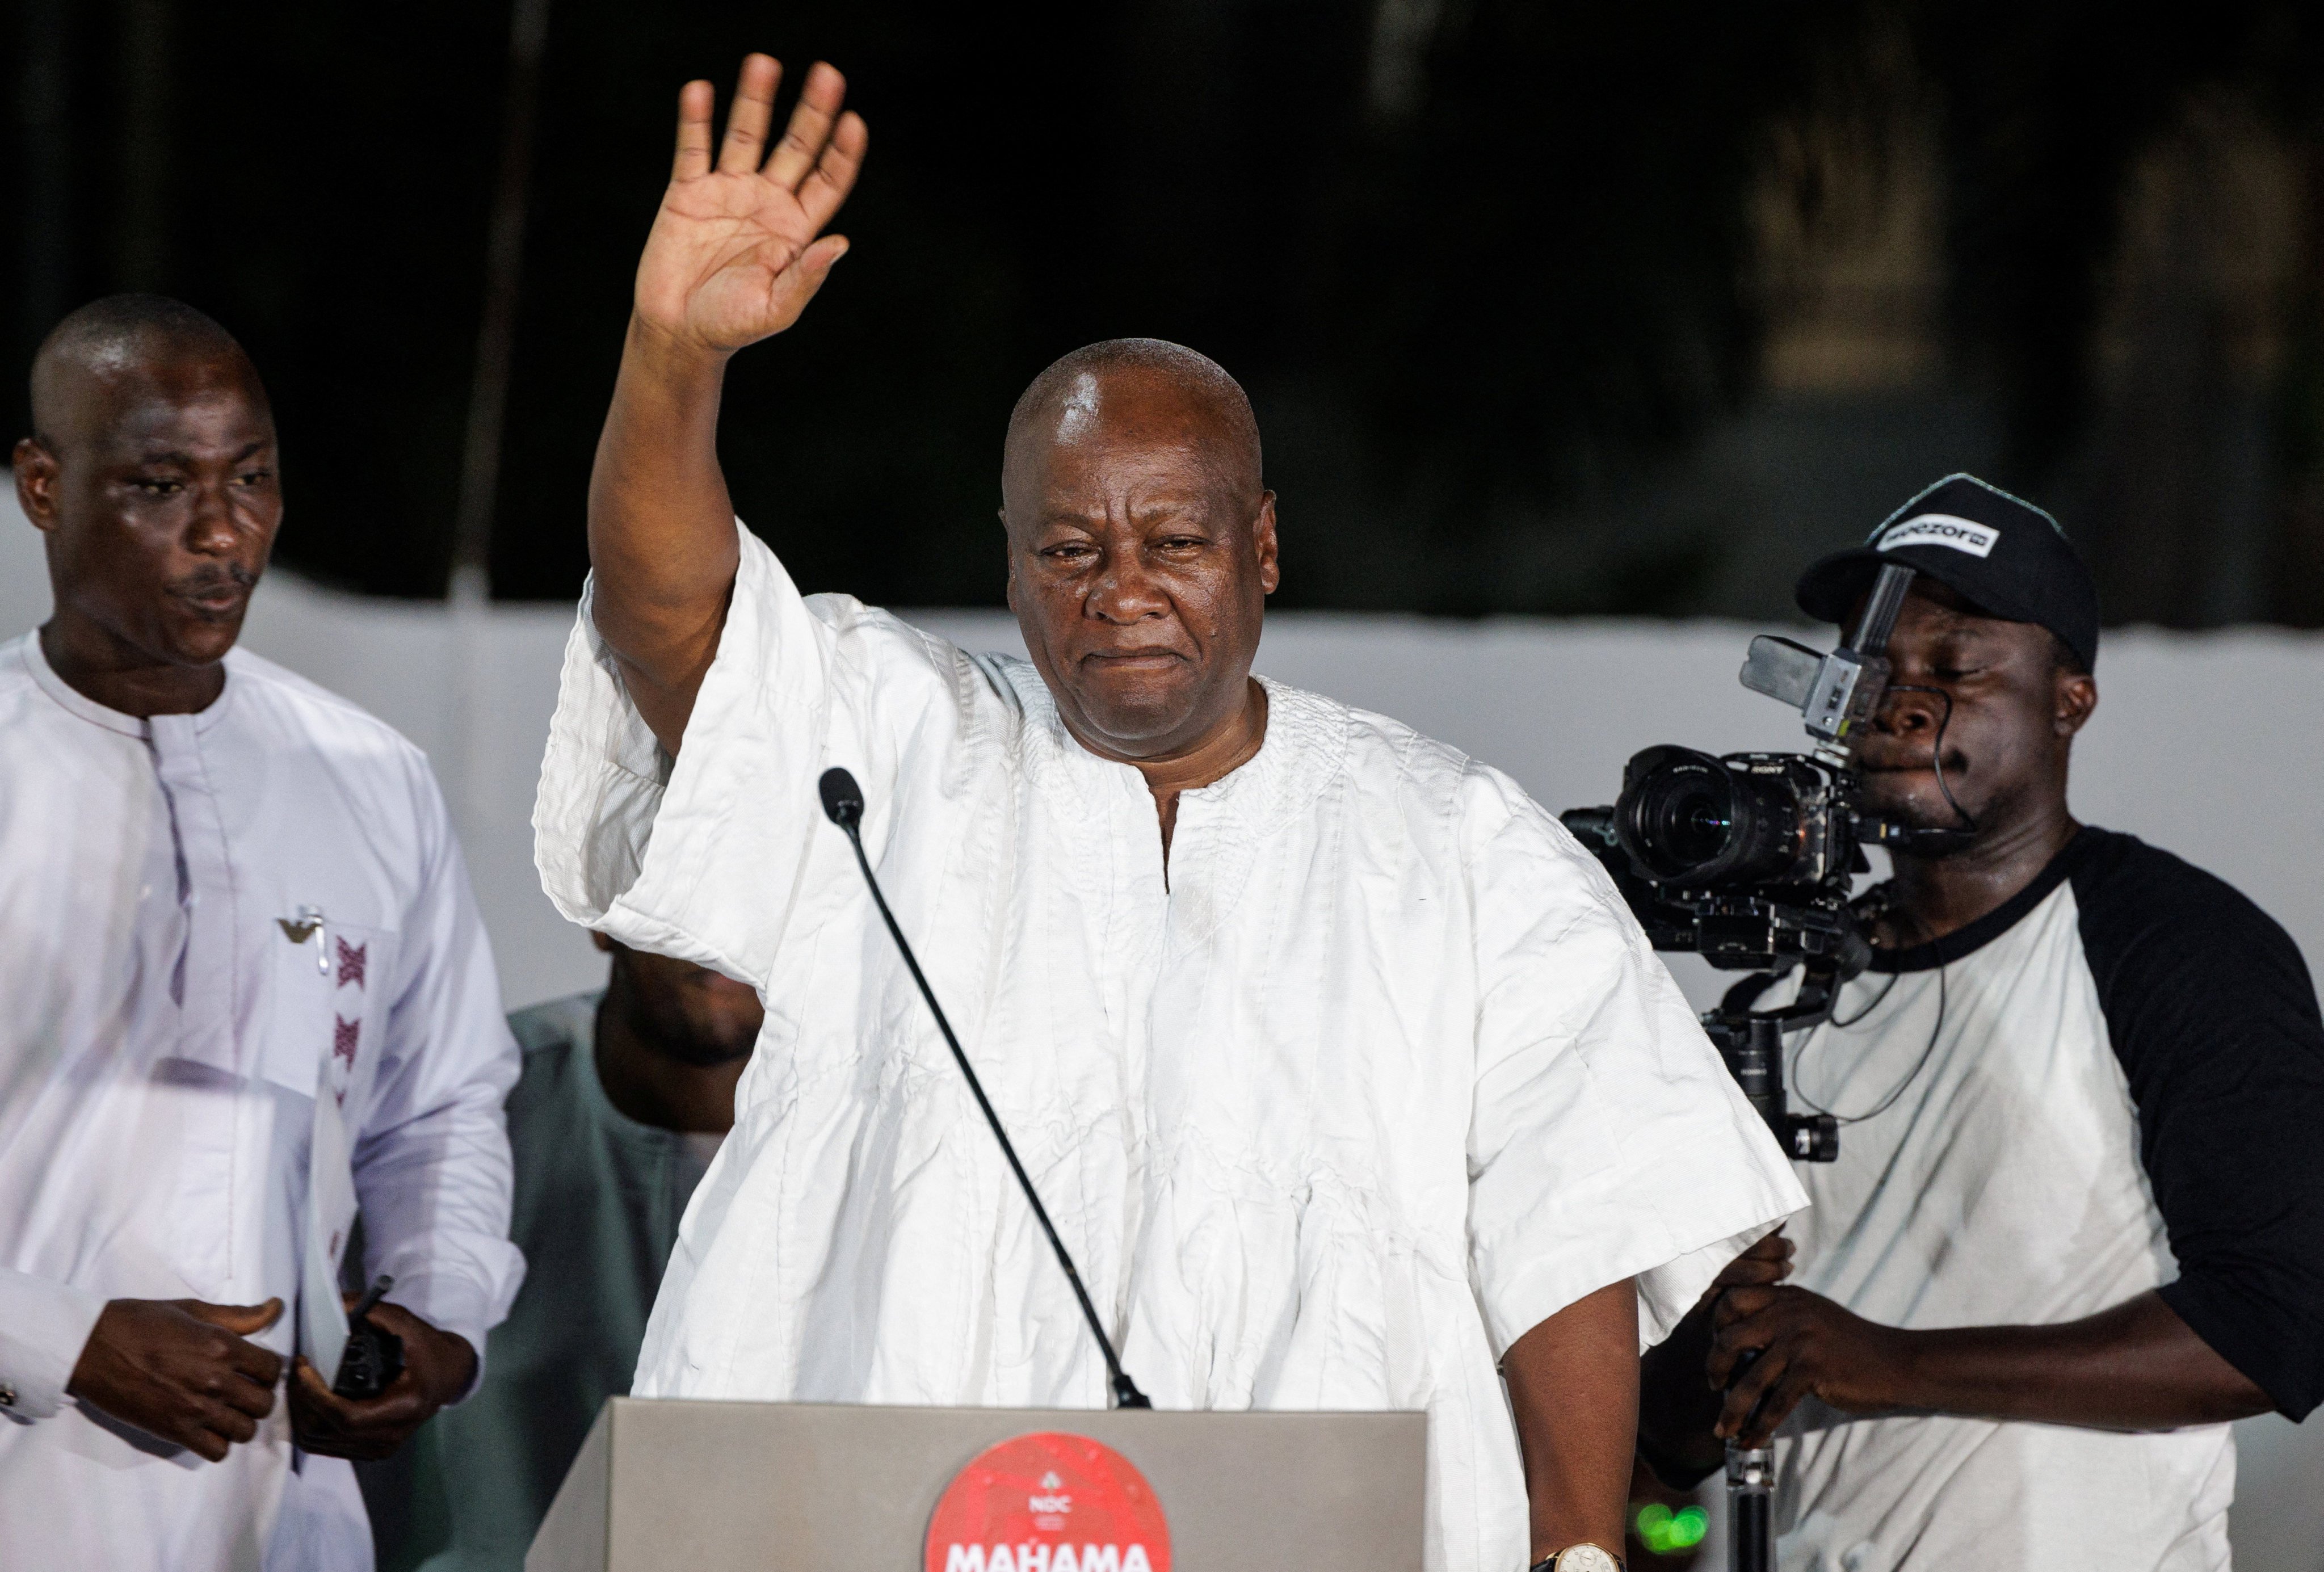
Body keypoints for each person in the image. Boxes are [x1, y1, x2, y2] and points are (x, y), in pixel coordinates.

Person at [530, 54, 1806, 1572]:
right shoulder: (883, 748)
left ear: (1259, 549)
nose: (1119, 589)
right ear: (1006, 562)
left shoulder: (1454, 845)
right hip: (883, 1520)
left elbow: (1572, 1229)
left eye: (1172, 539)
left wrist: (1576, 1548)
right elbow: (668, 612)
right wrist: (670, 355)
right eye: (1066, 546)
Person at [1636, 474, 2324, 1571]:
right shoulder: (1784, 988)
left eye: (1957, 671)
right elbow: (1675, 1436)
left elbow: (2274, 1332)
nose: (1905, 705)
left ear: (2069, 701)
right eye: (1878, 673)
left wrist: (1892, 1363)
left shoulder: (2174, 944)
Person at [0, 295, 524, 1570]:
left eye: (253, 478)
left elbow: (442, 1107)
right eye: (160, 484)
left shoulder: (367, 773)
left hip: (283, 1512)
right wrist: (60, 1338)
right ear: (43, 489)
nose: (225, 532)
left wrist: (431, 1320)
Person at [360, 933, 763, 1571]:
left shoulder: (886, 1126)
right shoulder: (456, 1110)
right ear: (603, 910)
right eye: (689, 871)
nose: (723, 926)